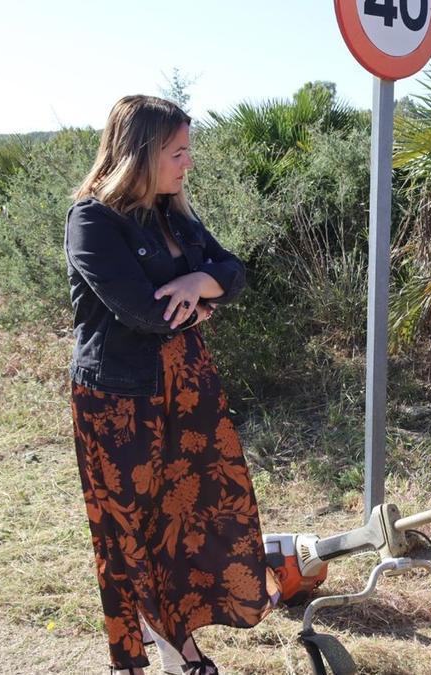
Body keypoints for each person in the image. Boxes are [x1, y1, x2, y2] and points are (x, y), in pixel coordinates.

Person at [65, 95, 275, 675]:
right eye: (178, 152)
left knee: (188, 522)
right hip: (120, 401)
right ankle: (129, 660)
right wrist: (204, 305)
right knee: (125, 534)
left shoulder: (172, 212)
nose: (187, 164)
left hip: (188, 392)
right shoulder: (91, 221)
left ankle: (178, 643)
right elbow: (146, 313)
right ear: (141, 152)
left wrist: (204, 280)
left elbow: (234, 272)